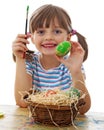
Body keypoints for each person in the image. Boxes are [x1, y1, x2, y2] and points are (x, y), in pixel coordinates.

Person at [12, 4, 91, 114]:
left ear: (68, 37)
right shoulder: (30, 61)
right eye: (41, 32)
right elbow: (22, 102)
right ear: (32, 38)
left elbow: (83, 109)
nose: (48, 37)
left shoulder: (72, 64)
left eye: (57, 31)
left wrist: (76, 72)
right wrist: (20, 59)